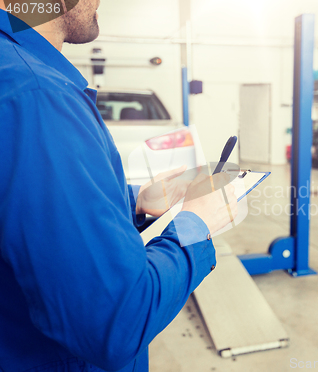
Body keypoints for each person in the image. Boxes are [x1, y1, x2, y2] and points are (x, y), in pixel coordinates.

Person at [0, 1, 237, 371]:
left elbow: (28, 205)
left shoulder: (13, 72)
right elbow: (116, 323)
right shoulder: (39, 94)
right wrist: (197, 224)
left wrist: (135, 200)